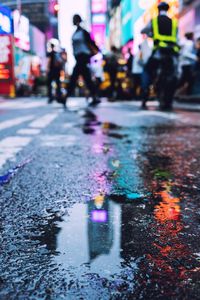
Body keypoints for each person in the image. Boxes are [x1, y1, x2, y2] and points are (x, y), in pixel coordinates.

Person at [141, 1, 179, 109]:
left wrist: (151, 34)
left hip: (158, 52)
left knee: (147, 71)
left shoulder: (154, 21)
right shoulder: (174, 22)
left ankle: (144, 96)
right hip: (171, 53)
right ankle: (169, 100)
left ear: (158, 10)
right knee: (173, 74)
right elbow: (176, 37)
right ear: (168, 9)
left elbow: (143, 31)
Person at [64, 14, 100, 108]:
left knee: (74, 78)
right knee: (86, 78)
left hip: (83, 57)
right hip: (78, 58)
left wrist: (92, 53)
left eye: (74, 19)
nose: (72, 20)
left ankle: (66, 97)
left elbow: (91, 43)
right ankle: (95, 96)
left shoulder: (83, 32)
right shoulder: (76, 32)